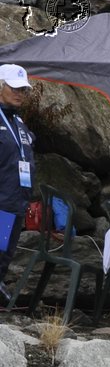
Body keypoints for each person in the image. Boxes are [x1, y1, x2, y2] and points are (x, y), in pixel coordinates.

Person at [0, 64, 35, 307]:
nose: (20, 93)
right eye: (14, 87)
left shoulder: (20, 123)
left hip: (17, 203)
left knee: (5, 255)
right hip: (1, 203)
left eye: (23, 89)